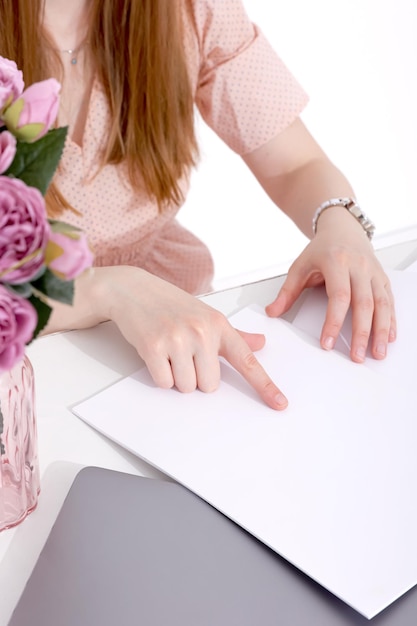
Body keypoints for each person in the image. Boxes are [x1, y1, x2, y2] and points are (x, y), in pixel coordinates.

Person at [0, 0, 396, 410]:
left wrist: (339, 224)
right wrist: (106, 289)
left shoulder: (190, 10)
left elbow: (296, 164)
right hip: (27, 351)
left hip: (171, 327)